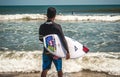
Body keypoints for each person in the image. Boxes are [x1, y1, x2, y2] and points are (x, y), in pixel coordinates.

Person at [39, 7, 70, 77]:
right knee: (59, 69)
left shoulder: (42, 26)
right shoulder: (57, 26)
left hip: (46, 51)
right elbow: (63, 39)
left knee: (45, 69)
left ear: (47, 15)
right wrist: (67, 51)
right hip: (56, 52)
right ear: (55, 15)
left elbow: (40, 39)